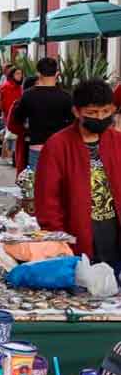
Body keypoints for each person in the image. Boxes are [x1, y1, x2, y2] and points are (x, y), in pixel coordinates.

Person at [34, 79, 121, 269]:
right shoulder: (57, 146)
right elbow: (47, 201)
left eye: (106, 112)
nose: (100, 118)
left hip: (115, 233)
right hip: (78, 235)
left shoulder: (117, 141)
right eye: (92, 113)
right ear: (76, 111)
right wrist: (59, 240)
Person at [8, 57, 76, 172]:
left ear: (38, 73)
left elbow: (17, 119)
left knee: (36, 184)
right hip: (60, 147)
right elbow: (73, 122)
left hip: (36, 146)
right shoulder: (67, 97)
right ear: (57, 74)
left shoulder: (28, 95)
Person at [0, 66, 25, 164]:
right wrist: (9, 116)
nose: (20, 76)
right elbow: (6, 104)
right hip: (11, 114)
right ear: (12, 75)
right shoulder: (8, 86)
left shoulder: (18, 86)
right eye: (17, 74)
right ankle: (8, 156)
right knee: (10, 136)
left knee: (11, 136)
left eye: (21, 74)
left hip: (16, 114)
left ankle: (9, 157)